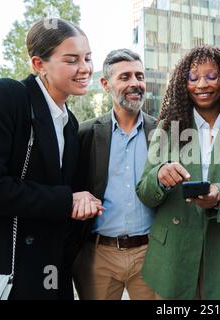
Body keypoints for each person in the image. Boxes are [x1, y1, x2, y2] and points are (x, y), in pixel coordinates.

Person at [0, 18, 102, 300]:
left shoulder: (70, 123)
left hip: (51, 273)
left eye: (88, 58)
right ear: (38, 64)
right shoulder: (4, 96)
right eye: (72, 60)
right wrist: (66, 200)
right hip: (5, 271)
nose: (85, 68)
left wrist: (80, 203)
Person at [136, 45, 220, 300]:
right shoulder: (168, 128)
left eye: (211, 76)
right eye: (193, 78)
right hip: (174, 256)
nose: (201, 84)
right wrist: (160, 176)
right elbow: (144, 191)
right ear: (183, 83)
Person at [72, 49, 156, 300]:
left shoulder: (162, 131)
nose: (135, 83)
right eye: (125, 77)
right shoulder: (84, 133)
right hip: (99, 256)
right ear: (106, 84)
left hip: (150, 254)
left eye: (139, 76)